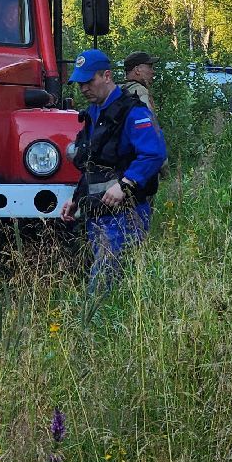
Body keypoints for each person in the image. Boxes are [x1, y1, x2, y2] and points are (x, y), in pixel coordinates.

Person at [59, 48, 166, 294]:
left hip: (125, 215)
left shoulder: (132, 111)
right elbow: (92, 163)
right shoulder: (94, 112)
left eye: (89, 81)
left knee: (103, 287)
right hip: (96, 213)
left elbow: (154, 154)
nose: (84, 88)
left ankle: (91, 329)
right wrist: (76, 200)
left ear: (107, 76)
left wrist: (126, 183)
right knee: (109, 283)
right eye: (80, 83)